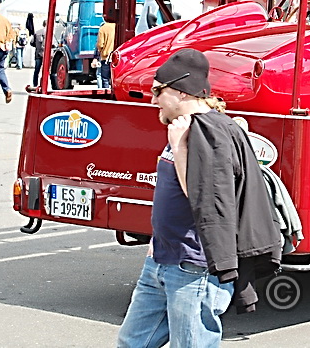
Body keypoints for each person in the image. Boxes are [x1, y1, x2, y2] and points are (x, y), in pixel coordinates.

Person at [117, 48, 281, 348]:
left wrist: (179, 151)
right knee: (132, 343)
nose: (153, 100)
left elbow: (208, 203)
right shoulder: (183, 128)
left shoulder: (210, 133)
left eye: (158, 91)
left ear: (180, 92)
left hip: (194, 267)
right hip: (161, 261)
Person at [95, 21, 115, 89]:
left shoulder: (103, 28)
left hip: (106, 57)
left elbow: (100, 44)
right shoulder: (118, 27)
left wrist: (99, 52)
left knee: (105, 78)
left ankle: (106, 95)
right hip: (117, 56)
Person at [31, 20, 47, 88]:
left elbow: (32, 42)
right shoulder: (51, 32)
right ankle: (44, 84)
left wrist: (37, 46)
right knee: (46, 71)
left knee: (37, 70)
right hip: (47, 54)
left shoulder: (37, 32)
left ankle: (35, 84)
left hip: (38, 53)